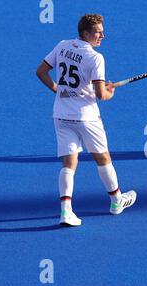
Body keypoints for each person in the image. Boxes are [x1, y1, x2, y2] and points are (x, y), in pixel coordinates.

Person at [36, 14, 136, 226]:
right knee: (103, 158)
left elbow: (41, 71)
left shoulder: (62, 45)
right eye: (98, 32)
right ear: (85, 33)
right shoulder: (95, 58)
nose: (102, 35)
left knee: (69, 164)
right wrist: (110, 92)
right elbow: (101, 95)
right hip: (86, 117)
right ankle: (117, 200)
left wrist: (58, 90)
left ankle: (66, 211)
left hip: (61, 114)